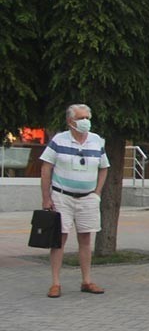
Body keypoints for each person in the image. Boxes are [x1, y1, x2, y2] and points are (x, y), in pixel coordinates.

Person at [39, 104, 109, 298]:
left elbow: (104, 167)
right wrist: (46, 198)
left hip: (88, 198)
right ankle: (55, 283)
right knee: (58, 239)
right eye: (81, 118)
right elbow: (46, 168)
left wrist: (97, 192)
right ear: (71, 121)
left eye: (88, 117)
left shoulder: (96, 140)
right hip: (62, 196)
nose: (86, 121)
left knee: (86, 239)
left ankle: (87, 280)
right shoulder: (59, 140)